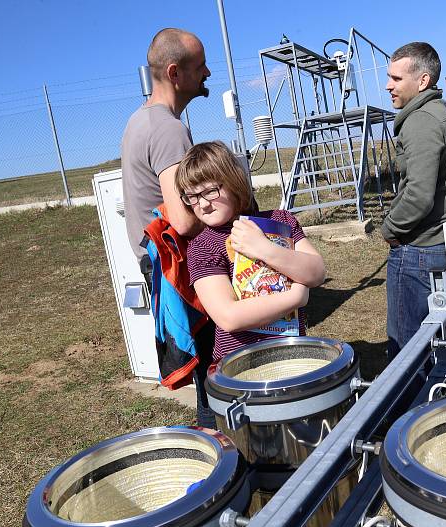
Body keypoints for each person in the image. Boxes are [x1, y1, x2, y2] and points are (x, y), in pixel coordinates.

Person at [120, 28, 213, 427]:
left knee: (205, 372)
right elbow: (183, 218)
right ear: (175, 73)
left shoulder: (140, 120)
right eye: (200, 66)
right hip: (178, 263)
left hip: (157, 260)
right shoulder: (168, 129)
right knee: (214, 368)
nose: (208, 72)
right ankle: (224, 448)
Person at [177, 141, 326, 369]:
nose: (203, 204)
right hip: (242, 366)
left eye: (210, 191)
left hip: (294, 352)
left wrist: (263, 248)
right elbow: (229, 317)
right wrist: (295, 298)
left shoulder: (280, 222)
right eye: (192, 196)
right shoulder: (202, 247)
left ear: (233, 182)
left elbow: (316, 272)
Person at [382, 42, 446, 361]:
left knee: (407, 353)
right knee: (435, 343)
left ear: (422, 81)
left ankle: (408, 409)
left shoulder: (421, 122)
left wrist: (389, 229)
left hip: (417, 250)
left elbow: (418, 196)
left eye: (396, 78)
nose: (388, 85)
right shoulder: (438, 114)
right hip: (434, 245)